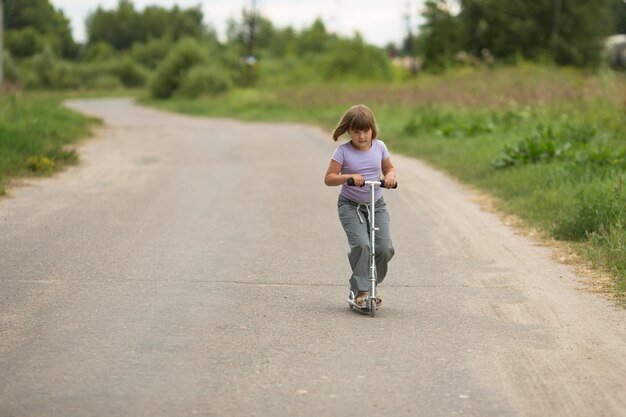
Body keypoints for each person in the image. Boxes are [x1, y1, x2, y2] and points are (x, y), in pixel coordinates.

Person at [324, 104, 397, 308]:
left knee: (385, 248)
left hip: (376, 203)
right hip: (350, 205)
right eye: (356, 132)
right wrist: (349, 177)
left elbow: (388, 168)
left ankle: (370, 285)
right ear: (349, 131)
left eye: (365, 131)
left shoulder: (380, 147)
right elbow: (329, 178)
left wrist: (390, 176)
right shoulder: (342, 152)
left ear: (372, 129)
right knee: (362, 245)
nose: (362, 136)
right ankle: (362, 290)